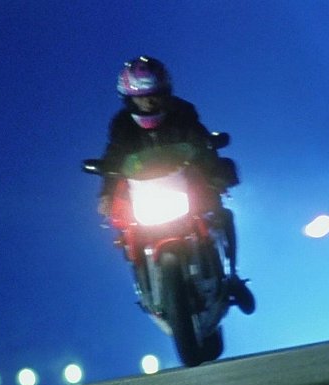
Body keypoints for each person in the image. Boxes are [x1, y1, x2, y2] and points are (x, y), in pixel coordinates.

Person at [97, 55, 255, 315]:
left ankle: (232, 276)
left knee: (221, 214)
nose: (149, 101)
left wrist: (214, 171)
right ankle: (145, 283)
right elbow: (114, 158)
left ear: (165, 91)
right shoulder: (122, 124)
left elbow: (202, 144)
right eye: (141, 96)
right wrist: (105, 192)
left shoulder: (183, 111)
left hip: (184, 182)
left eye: (155, 94)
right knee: (126, 232)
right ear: (128, 97)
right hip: (143, 191)